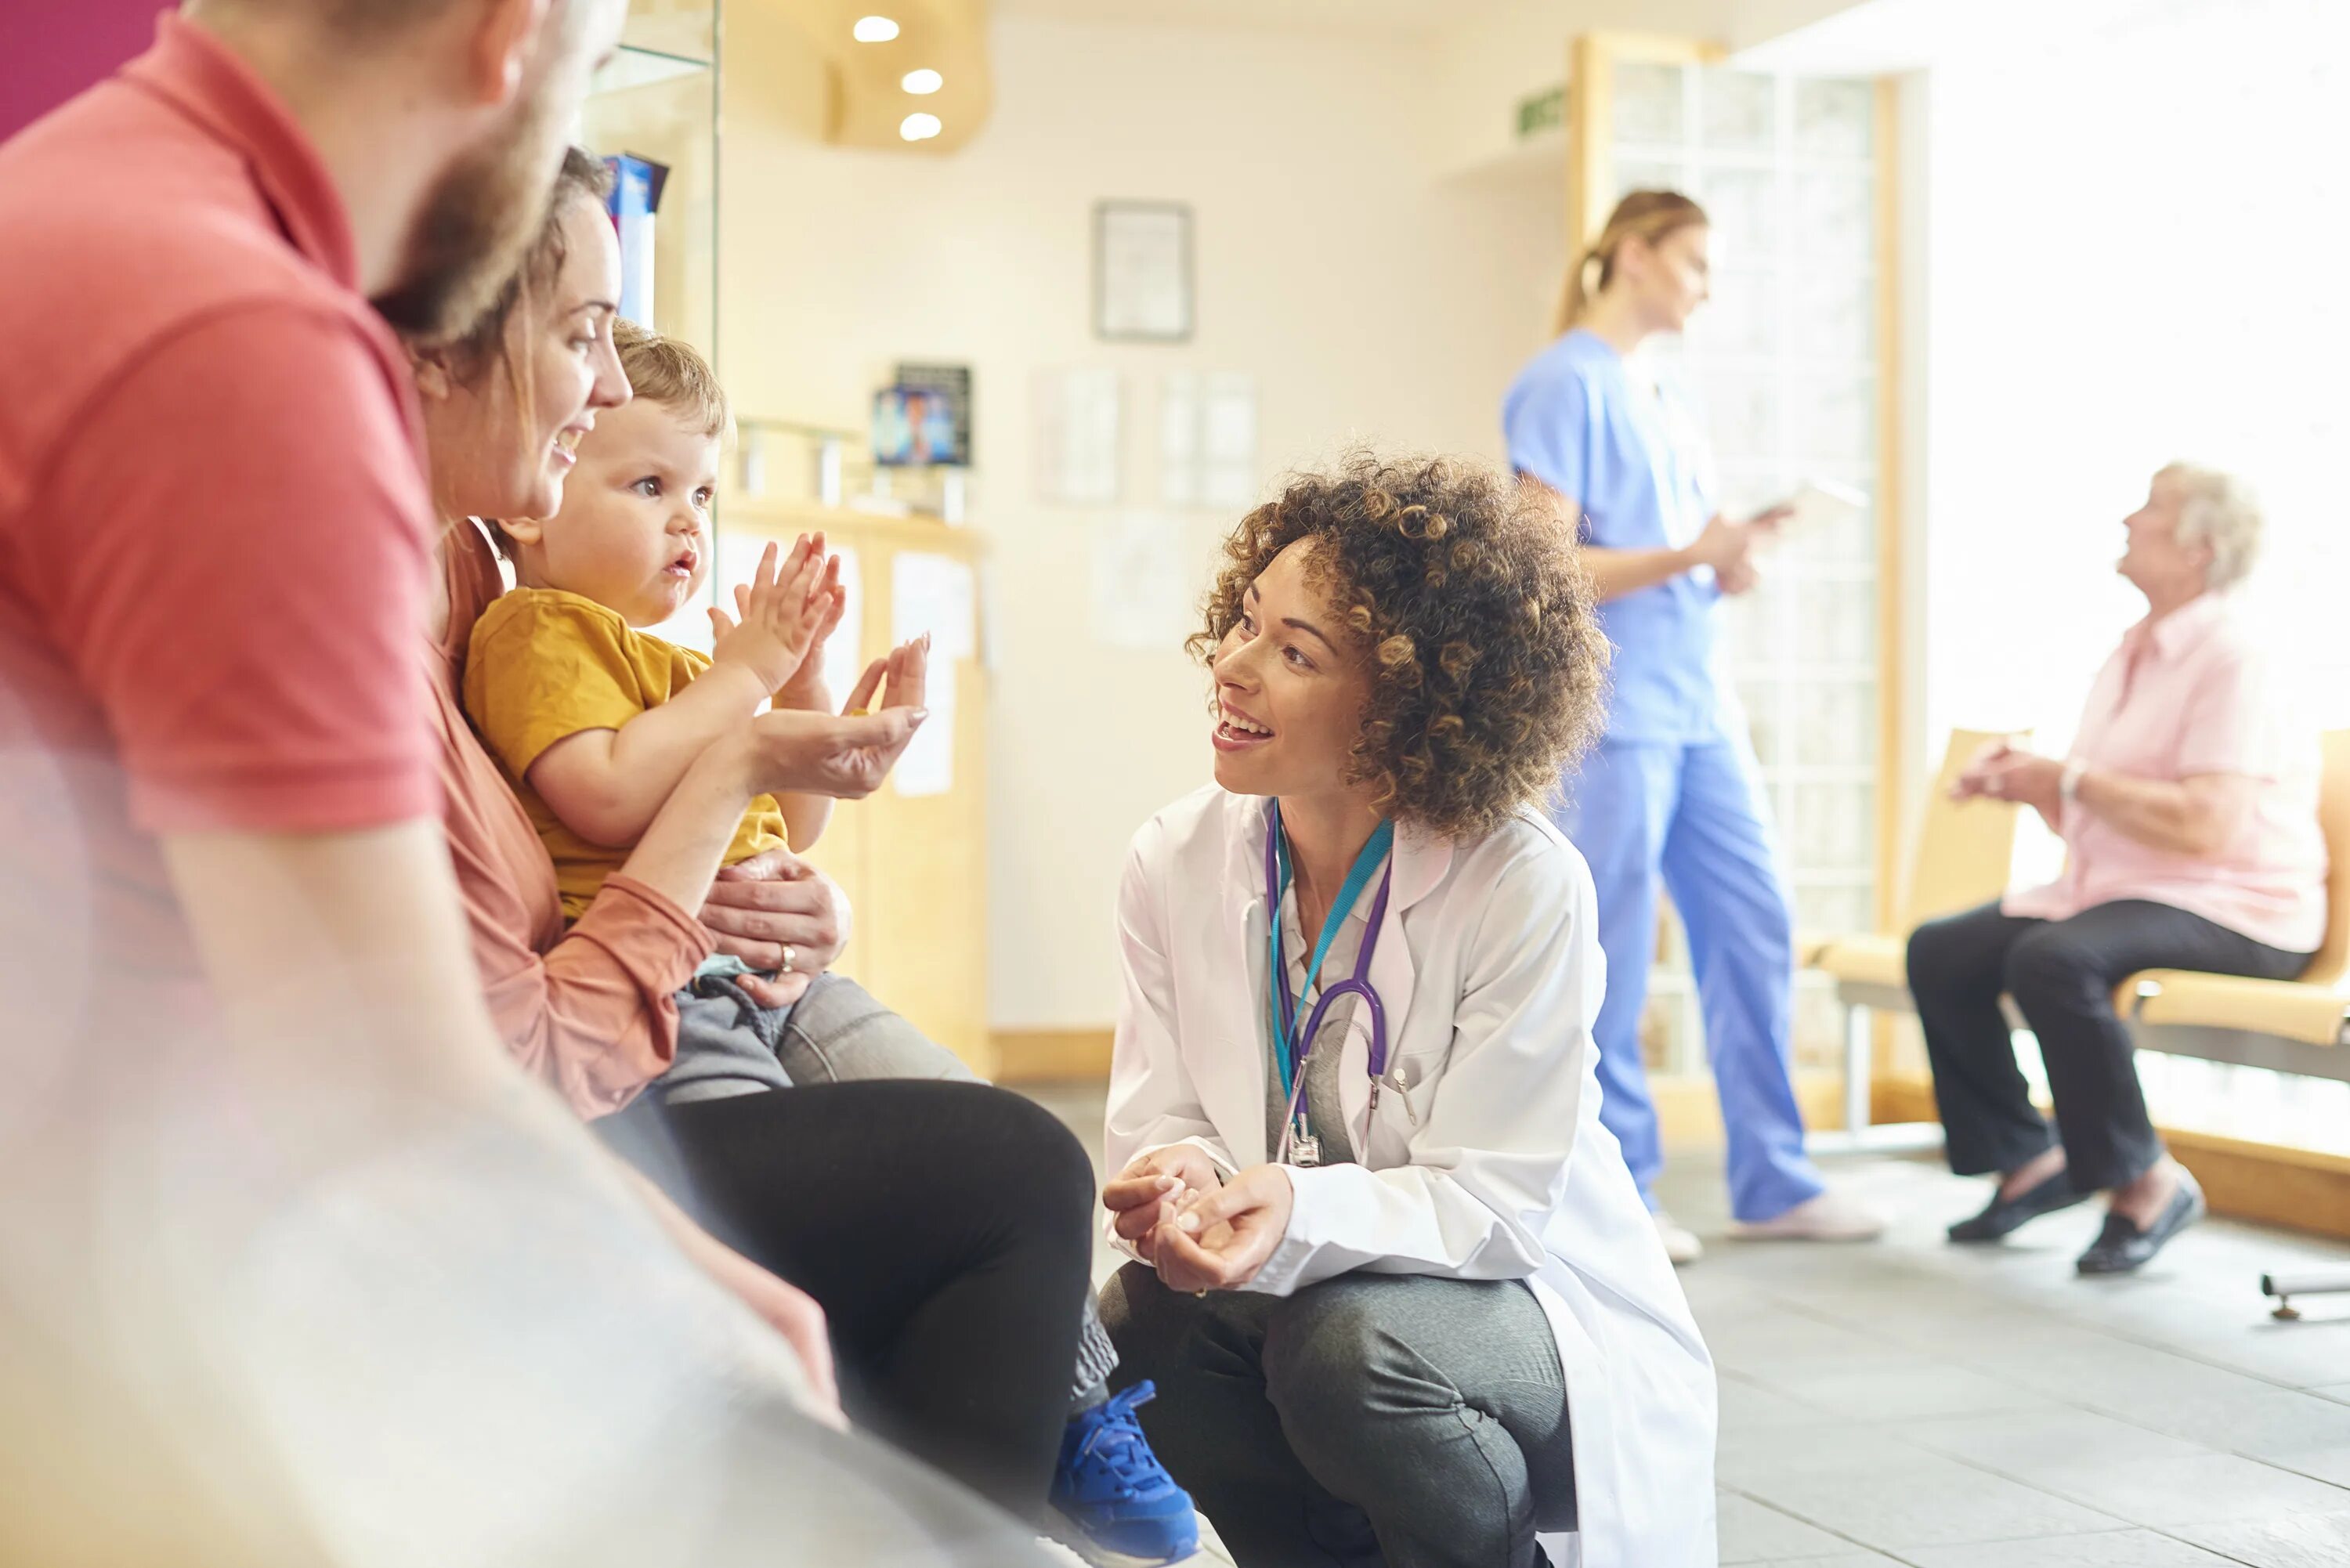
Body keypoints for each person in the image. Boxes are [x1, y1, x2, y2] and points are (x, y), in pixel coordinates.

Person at [0, 5, 1057, 1562]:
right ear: (515, 38)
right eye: (583, 336)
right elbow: (386, 1086)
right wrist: (700, 1286)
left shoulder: (98, 201)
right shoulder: (247, 339)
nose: (590, 387)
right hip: (163, 1331)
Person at [414, 168, 1194, 1563]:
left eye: (695, 491)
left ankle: (1069, 1429)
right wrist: (759, 689)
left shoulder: (662, 650)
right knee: (994, 1171)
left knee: (980, 1117)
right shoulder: (532, 630)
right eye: (643, 482)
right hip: (654, 1030)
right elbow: (603, 784)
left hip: (751, 976)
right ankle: (1008, 1484)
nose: (683, 521)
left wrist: (830, 724)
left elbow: (784, 832)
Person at [1096, 455, 1717, 1568]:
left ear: (1406, 702)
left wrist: (1293, 1203)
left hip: (1520, 1316)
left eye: (1295, 652)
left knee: (1348, 1349)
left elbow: (1491, 1204)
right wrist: (1182, 1175)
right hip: (1320, 1307)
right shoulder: (1175, 859)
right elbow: (1167, 1108)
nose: (1232, 668)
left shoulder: (1521, 881)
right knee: (1150, 1329)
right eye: (1246, 622)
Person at [1501, 189, 1882, 1263]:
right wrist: (1687, 555)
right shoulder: (1563, 381)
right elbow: (1541, 560)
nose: (1709, 288)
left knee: (1755, 923)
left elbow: (1675, 547)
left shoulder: (1662, 392)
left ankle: (1776, 1174)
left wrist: (1726, 560)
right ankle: (1622, 1189)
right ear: (1632, 253)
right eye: (1696, 263)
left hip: (1700, 705)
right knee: (1613, 950)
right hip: (1617, 711)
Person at [1907, 464, 2324, 1275]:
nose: (2130, 520)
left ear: (2201, 548)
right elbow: (2115, 806)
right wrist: (2031, 786)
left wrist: (2069, 780)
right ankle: (2028, 1156)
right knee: (1942, 950)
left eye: (2154, 510)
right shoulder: (2135, 651)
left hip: (2243, 907)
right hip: (2134, 887)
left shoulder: (2234, 657)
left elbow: (2208, 827)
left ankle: (2147, 1183)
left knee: (2053, 958)